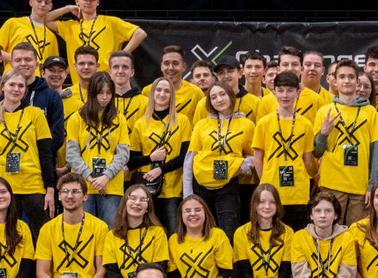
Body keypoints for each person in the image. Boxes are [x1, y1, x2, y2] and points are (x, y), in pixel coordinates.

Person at [0, 67, 57, 228]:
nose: (16, 89)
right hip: (3, 187)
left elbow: (46, 153)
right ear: (3, 87)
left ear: (25, 90)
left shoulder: (36, 114)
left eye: (21, 86)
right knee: (6, 233)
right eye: (12, 85)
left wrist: (50, 188)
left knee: (41, 233)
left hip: (33, 185)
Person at [312, 59, 378, 225]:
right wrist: (323, 134)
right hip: (331, 185)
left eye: (351, 77)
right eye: (342, 77)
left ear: (357, 81)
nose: (347, 81)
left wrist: (373, 185)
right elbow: (316, 152)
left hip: (360, 188)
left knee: (357, 233)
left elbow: (376, 154)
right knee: (330, 230)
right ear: (335, 81)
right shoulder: (324, 112)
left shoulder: (371, 112)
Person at [34, 172, 110, 278]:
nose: (70, 196)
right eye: (65, 191)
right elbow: (41, 273)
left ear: (85, 196)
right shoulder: (47, 229)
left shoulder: (100, 227)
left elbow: (102, 272)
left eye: (75, 191)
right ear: (59, 196)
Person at [184, 83, 255, 235]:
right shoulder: (202, 124)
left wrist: (241, 168)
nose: (219, 99)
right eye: (213, 97)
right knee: (203, 232)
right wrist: (188, 195)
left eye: (222, 94)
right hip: (200, 186)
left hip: (228, 186)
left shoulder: (247, 125)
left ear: (231, 96)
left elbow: (254, 155)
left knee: (228, 232)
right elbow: (190, 159)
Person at [250, 70, 317, 229]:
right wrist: (265, 182)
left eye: (290, 90)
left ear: (298, 92)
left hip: (298, 192)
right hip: (271, 192)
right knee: (272, 235)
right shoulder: (264, 123)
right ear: (274, 92)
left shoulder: (306, 124)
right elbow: (257, 159)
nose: (285, 95)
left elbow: (307, 161)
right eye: (280, 90)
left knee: (297, 236)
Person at [47, 0, 147, 89]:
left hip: (106, 86)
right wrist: (68, 8)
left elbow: (140, 33)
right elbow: (45, 20)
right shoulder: (70, 27)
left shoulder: (111, 22)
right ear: (77, 1)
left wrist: (121, 55)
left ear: (97, 2)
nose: (88, 2)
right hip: (80, 87)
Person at [65, 70, 131, 225]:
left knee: (109, 231)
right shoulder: (77, 118)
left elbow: (123, 154)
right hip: (83, 186)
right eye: (100, 92)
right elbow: (72, 154)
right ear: (92, 93)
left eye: (109, 93)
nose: (105, 97)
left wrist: (106, 177)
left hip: (111, 186)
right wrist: (90, 178)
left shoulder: (119, 119)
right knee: (84, 231)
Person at [129, 76, 193, 231]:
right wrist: (151, 158)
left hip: (172, 189)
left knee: (173, 232)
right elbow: (131, 160)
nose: (162, 94)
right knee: (146, 233)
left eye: (167, 91)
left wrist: (160, 169)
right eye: (158, 90)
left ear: (172, 95)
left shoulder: (182, 121)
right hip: (146, 187)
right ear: (152, 93)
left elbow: (185, 156)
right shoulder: (141, 123)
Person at [167, 195, 234, 278]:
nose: (193, 214)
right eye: (187, 211)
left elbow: (226, 271)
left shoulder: (217, 235)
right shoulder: (174, 240)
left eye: (198, 210)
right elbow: (173, 276)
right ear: (180, 215)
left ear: (205, 213)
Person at [103, 184, 169, 278]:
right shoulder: (112, 235)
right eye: (132, 198)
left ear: (147, 208)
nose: (137, 203)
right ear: (125, 203)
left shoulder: (157, 233)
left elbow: (160, 268)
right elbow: (113, 273)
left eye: (143, 200)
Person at [0, 42, 67, 152]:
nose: (23, 63)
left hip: (42, 160)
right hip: (6, 159)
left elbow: (57, 137)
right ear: (11, 64)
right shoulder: (1, 96)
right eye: (18, 60)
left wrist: (32, 155)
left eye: (28, 59)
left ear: (36, 64)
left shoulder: (52, 96)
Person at [0, 0, 61, 67]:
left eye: (46, 2)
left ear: (50, 6)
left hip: (38, 75)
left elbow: (53, 64)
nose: (43, 4)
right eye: (39, 1)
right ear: (31, 2)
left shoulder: (51, 36)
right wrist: (17, 59)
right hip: (14, 73)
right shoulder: (13, 23)